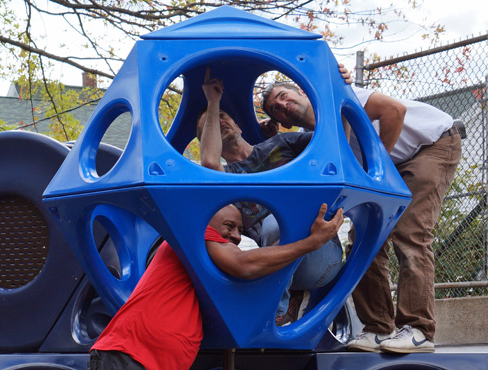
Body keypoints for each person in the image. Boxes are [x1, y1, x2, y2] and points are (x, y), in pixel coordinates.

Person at [261, 81, 462, 353]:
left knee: (410, 232)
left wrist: (378, 170)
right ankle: (378, 329)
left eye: (284, 96)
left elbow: (395, 110)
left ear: (302, 92)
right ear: (282, 123)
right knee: (363, 241)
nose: (283, 105)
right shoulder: (310, 139)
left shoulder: (336, 95)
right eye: (277, 109)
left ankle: (419, 330)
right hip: (385, 168)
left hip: (430, 145)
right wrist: (267, 138)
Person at [89, 203, 344, 370]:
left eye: (240, 230)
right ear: (207, 224)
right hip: (128, 357)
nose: (236, 236)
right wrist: (311, 243)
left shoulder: (205, 274)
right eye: (229, 226)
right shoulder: (194, 237)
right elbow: (244, 265)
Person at [197, 68, 344, 325]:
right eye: (210, 123)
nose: (219, 121)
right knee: (271, 226)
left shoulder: (282, 143)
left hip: (322, 253)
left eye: (223, 116)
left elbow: (335, 141)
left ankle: (275, 313)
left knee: (278, 221)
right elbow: (210, 162)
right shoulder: (223, 176)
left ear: (239, 125)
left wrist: (336, 84)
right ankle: (284, 306)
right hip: (276, 263)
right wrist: (213, 103)